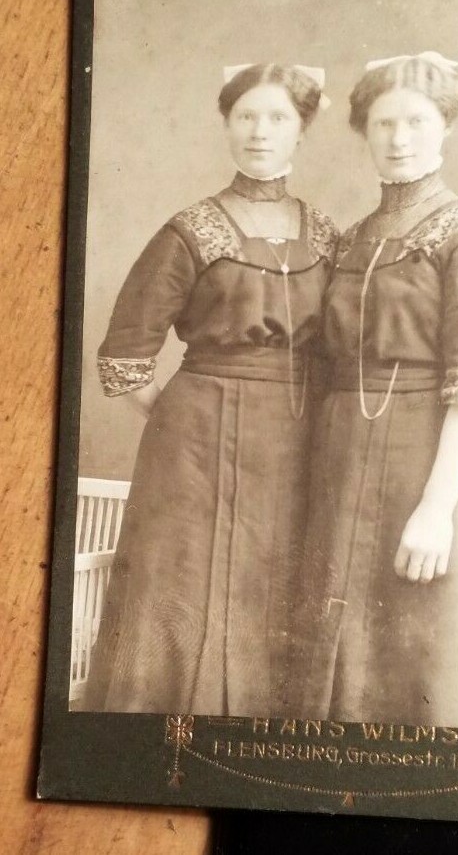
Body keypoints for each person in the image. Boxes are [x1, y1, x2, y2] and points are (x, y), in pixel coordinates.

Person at [82, 63, 338, 716]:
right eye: (245, 116)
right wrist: (182, 417)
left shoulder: (329, 234)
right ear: (225, 124)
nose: (260, 132)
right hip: (195, 439)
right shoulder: (190, 229)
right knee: (184, 583)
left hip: (297, 436)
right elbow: (126, 356)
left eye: (277, 117)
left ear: (302, 130)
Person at [298, 52, 458, 727]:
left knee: (424, 663)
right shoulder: (351, 238)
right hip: (339, 456)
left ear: (445, 127)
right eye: (384, 124)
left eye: (416, 122)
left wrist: (436, 508)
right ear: (364, 130)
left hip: (426, 461)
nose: (399, 140)